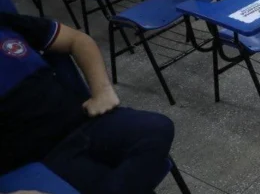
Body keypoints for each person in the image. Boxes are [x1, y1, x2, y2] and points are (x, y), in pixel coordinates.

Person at [0, 10, 175, 194]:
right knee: (124, 177)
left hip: (84, 122)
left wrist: (102, 91)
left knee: (158, 127)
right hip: (41, 156)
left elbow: (77, 40)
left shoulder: (8, 22)